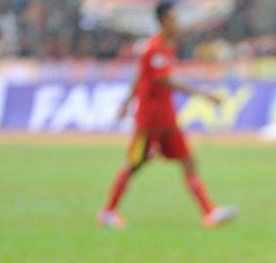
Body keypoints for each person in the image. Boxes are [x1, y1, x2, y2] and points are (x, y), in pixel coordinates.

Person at [98, 1, 237, 229]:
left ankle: (210, 213)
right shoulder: (154, 48)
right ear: (163, 21)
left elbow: (139, 76)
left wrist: (126, 101)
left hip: (167, 120)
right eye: (173, 19)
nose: (177, 23)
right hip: (149, 121)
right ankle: (108, 212)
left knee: (188, 162)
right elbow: (164, 79)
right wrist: (202, 94)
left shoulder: (165, 47)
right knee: (133, 165)